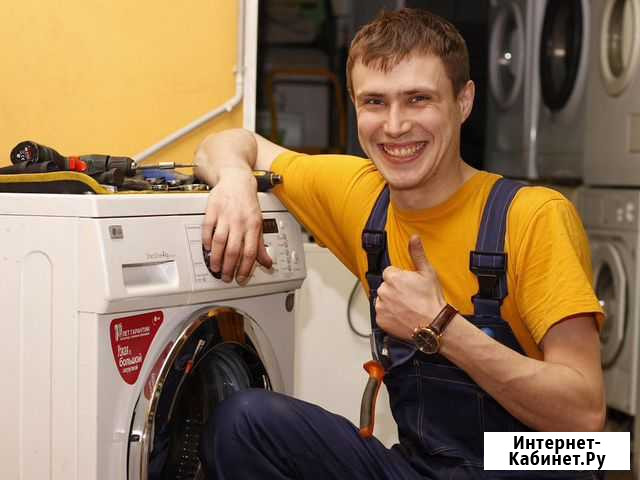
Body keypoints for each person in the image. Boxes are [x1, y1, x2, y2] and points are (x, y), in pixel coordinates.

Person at [194, 8, 605, 480]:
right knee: (244, 422)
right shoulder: (360, 194)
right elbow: (224, 142)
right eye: (375, 102)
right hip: (422, 468)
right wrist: (235, 180)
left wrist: (442, 327)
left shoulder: (533, 216)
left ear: (463, 101)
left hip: (529, 465)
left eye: (418, 99)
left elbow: (586, 420)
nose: (394, 126)